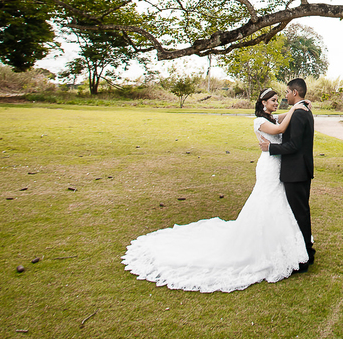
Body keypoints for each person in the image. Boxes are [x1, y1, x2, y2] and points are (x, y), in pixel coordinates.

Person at [121, 87, 310, 292]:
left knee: (277, 202)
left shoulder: (271, 117)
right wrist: (297, 106)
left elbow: (281, 117)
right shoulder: (260, 121)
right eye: (272, 100)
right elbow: (281, 130)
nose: (276, 103)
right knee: (265, 200)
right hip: (268, 166)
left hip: (277, 166)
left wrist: (297, 108)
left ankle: (281, 242)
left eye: (276, 100)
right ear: (263, 103)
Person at [258, 77, 315, 271]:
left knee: (299, 213)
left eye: (287, 92)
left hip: (296, 171)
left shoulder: (300, 113)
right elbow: (279, 122)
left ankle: (305, 254)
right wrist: (295, 107)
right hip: (298, 170)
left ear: (295, 93)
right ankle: (303, 250)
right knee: (298, 212)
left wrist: (271, 147)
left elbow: (293, 145)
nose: (284, 96)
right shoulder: (300, 110)